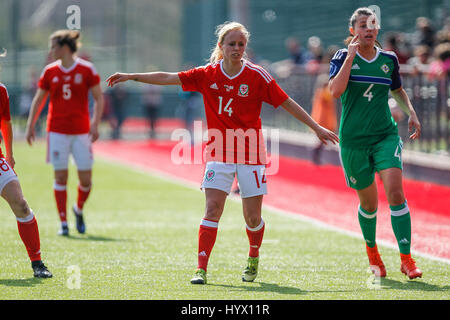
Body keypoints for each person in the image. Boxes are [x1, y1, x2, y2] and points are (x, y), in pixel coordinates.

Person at [106, 21, 339, 285]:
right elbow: (169, 77)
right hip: (219, 152)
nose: (237, 49)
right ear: (221, 46)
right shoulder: (207, 74)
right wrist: (132, 76)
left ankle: (253, 255)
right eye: (232, 44)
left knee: (252, 217)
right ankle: (201, 268)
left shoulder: (257, 75)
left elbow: (285, 101)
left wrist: (316, 127)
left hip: (251, 152)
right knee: (212, 208)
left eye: (241, 44)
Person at [328, 8, 423, 279]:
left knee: (395, 192)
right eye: (362, 25)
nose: (368, 29)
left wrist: (411, 112)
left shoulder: (389, 60)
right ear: (353, 31)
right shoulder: (340, 57)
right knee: (369, 205)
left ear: (377, 29)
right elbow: (335, 92)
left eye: (372, 25)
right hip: (354, 141)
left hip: (385, 135)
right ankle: (373, 253)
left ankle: (406, 259)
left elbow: (397, 90)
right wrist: (349, 58)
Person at [25, 30, 104, 236]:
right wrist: (30, 124)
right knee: (60, 177)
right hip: (57, 131)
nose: (50, 51)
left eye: (53, 46)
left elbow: (99, 98)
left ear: (65, 48)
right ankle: (63, 223)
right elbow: (39, 99)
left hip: (81, 132)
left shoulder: (87, 70)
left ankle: (77, 209)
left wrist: (95, 123)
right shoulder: (49, 72)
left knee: (86, 180)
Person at [0, 51, 52, 278]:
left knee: (20, 203)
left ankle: (37, 262)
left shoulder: (1, 90)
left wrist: (9, 155)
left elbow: (6, 123)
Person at [310, 73, 337, 164]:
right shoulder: (324, 92)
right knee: (323, 140)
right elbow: (333, 95)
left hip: (321, 118)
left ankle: (316, 156)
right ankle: (316, 156)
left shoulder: (319, 92)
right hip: (324, 119)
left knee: (323, 140)